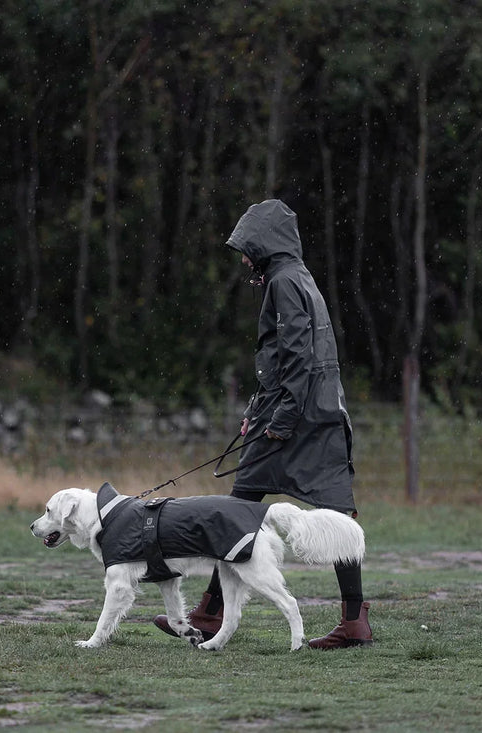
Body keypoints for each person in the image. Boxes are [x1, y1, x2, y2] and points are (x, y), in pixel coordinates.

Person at [153, 198, 372, 649]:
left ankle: (217, 613)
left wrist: (281, 417)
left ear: (265, 244)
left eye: (247, 249)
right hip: (318, 411)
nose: (244, 258)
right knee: (265, 508)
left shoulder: (285, 282)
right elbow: (284, 358)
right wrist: (257, 411)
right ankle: (216, 612)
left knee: (240, 512)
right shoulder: (298, 276)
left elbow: (296, 354)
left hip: (300, 416)